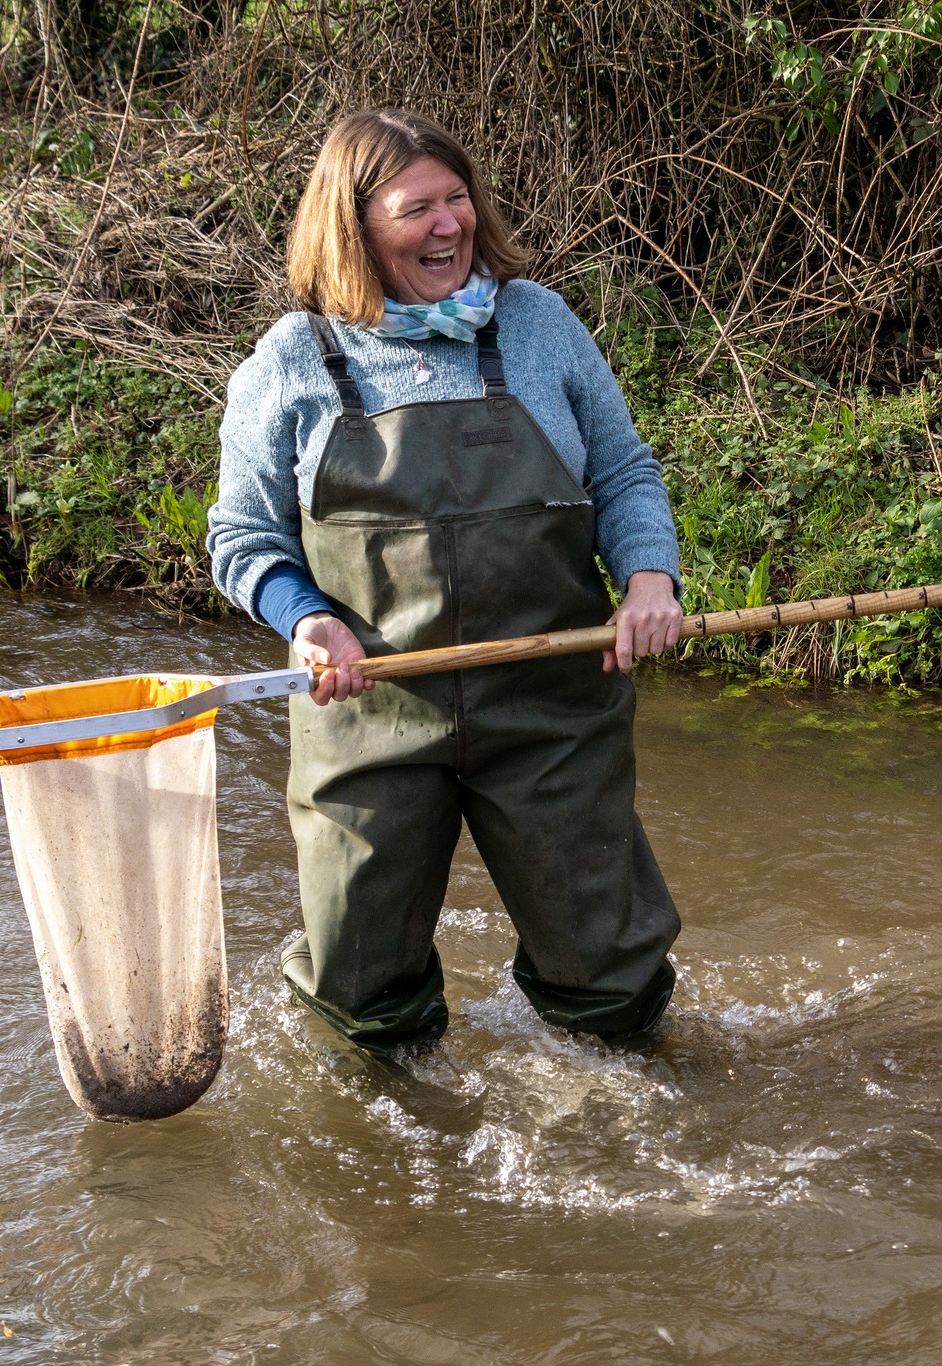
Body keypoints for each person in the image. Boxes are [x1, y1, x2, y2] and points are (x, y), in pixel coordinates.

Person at [207, 108, 684, 1051]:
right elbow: (243, 536)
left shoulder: (540, 324)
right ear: (354, 227)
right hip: (369, 716)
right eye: (415, 207)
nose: (448, 225)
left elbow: (624, 472)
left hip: (553, 708)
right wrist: (304, 620)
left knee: (609, 967)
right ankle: (392, 1151)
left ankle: (632, 1096)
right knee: (357, 981)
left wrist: (648, 578)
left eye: (457, 199)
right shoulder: (291, 362)